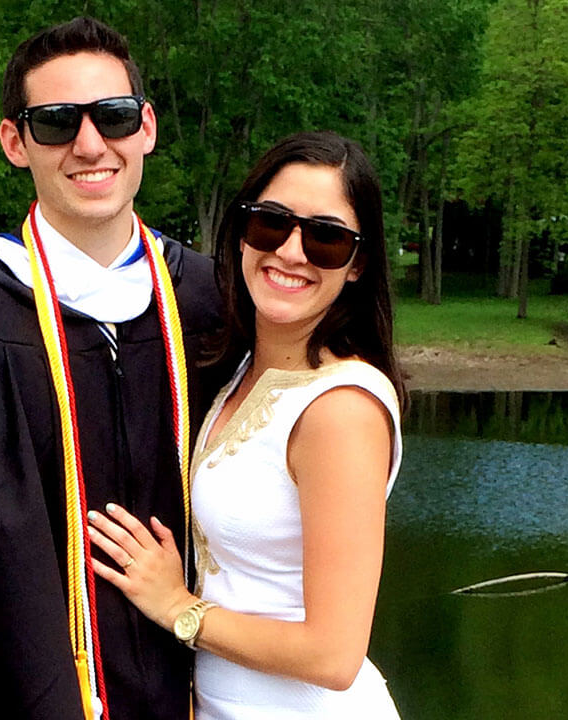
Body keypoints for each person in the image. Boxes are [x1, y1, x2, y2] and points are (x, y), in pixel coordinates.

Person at [0, 17, 224, 720]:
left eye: (113, 117)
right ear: (14, 142)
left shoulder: (208, 302)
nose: (90, 144)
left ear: (147, 127)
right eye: (56, 122)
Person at [88, 131, 406, 719]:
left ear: (358, 264)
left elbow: (334, 656)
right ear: (241, 233)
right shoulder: (238, 374)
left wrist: (178, 607)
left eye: (327, 238)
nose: (291, 251)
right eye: (271, 223)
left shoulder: (341, 409)